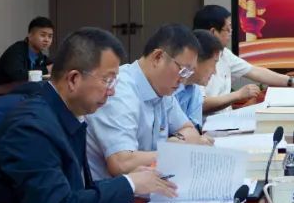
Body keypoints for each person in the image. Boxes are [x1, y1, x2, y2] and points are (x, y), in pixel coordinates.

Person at [0, 28, 177, 203]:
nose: (112, 91)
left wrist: (132, 184)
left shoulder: (66, 116)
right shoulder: (30, 129)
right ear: (73, 79)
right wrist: (130, 184)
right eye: (107, 80)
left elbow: (76, 192)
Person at [85, 24, 209, 180]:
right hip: (113, 192)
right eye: (183, 70)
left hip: (149, 186)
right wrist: (174, 149)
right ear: (158, 57)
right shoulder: (119, 91)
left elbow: (189, 130)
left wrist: (177, 142)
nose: (183, 80)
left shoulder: (164, 89)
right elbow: (122, 163)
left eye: (189, 73)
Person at [193, 5, 294, 115]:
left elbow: (255, 71)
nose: (231, 33)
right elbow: (199, 104)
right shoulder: (195, 59)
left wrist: (291, 81)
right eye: (228, 29)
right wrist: (238, 95)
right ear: (213, 32)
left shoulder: (224, 54)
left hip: (226, 121)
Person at [173, 29, 223, 131]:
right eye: (214, 63)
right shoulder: (168, 87)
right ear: (196, 59)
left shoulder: (195, 90)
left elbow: (195, 130)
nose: (215, 71)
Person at [0, 16, 55, 86]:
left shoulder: (40, 56)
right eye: (43, 35)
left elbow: (53, 65)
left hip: (24, 91)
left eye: (50, 36)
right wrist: (46, 69)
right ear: (30, 36)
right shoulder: (16, 51)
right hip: (3, 91)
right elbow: (18, 76)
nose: (47, 40)